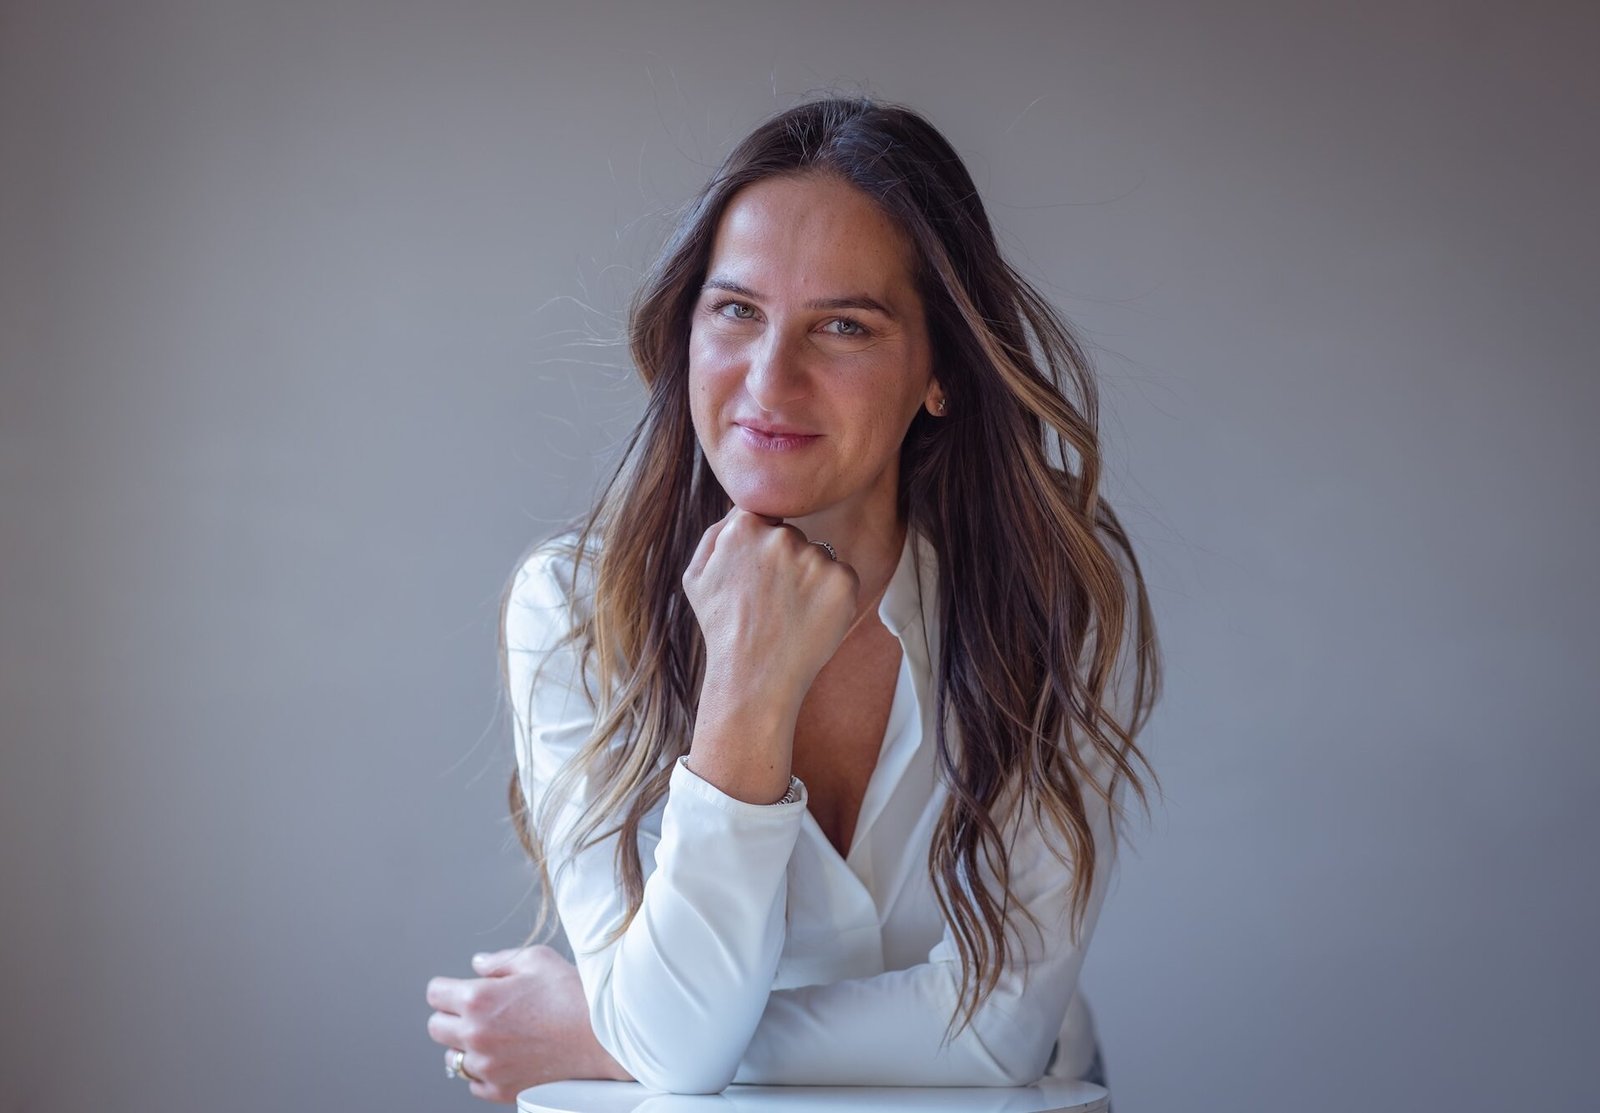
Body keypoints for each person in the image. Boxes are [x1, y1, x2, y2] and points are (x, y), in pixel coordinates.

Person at [425, 95, 1161, 1104]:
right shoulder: (572, 610)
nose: (771, 380)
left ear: (941, 371)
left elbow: (1002, 1031)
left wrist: (607, 1029)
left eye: (844, 326)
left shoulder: (1048, 597)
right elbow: (673, 1050)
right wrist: (745, 689)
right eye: (736, 311)